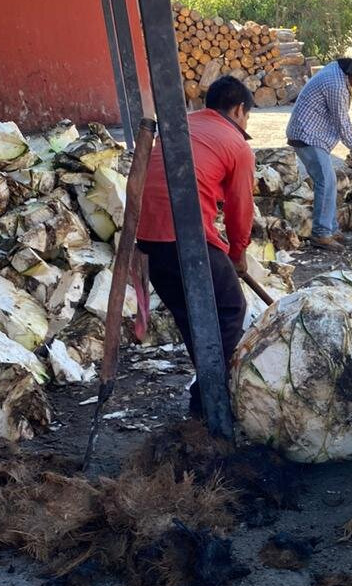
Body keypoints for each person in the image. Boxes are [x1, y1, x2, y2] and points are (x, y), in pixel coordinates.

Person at [137, 75, 255, 417]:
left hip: (148, 240)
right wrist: (238, 254)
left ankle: (206, 395)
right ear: (239, 109)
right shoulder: (236, 144)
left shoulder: (181, 127)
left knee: (192, 316)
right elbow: (239, 211)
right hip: (184, 238)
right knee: (231, 309)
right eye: (246, 116)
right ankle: (212, 396)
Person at [286, 52, 352, 251]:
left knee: (327, 180)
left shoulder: (338, 72)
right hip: (306, 136)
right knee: (327, 180)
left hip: (312, 135)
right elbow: (343, 126)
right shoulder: (337, 85)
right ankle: (322, 234)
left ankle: (330, 229)